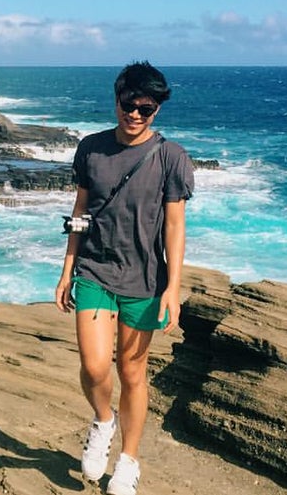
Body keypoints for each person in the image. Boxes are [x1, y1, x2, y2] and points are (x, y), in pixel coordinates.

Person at [55, 61, 194, 495]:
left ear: (157, 110)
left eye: (145, 109)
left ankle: (129, 460)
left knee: (132, 373)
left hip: (145, 281)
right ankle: (103, 421)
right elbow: (80, 214)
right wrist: (66, 271)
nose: (135, 114)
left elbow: (174, 226)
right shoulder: (91, 149)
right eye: (128, 104)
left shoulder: (171, 158)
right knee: (95, 367)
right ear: (116, 99)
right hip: (95, 270)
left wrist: (172, 288)